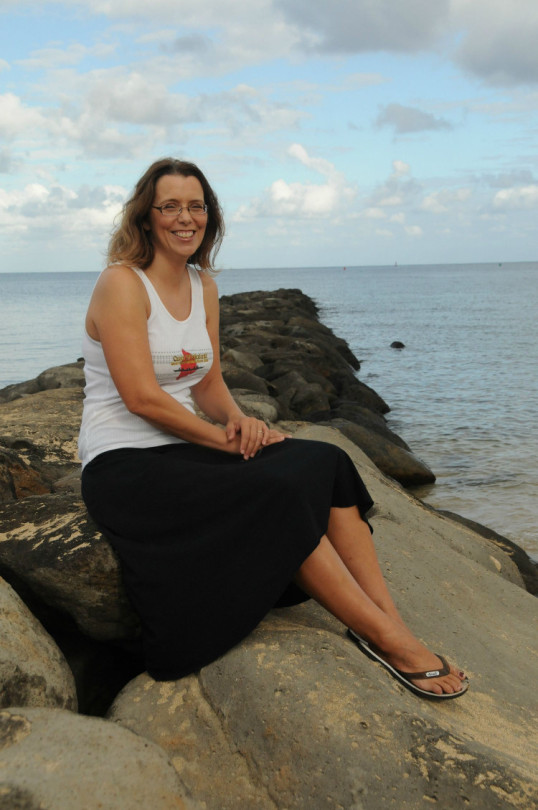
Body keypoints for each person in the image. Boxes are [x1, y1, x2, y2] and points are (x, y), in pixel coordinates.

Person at [79, 157, 468, 699]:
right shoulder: (122, 283)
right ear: (146, 216)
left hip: (182, 446)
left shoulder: (201, 285)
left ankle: (386, 620)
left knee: (325, 461)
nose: (185, 218)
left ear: (210, 216)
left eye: (196, 206)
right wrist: (223, 441)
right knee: (276, 492)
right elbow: (142, 398)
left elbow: (207, 382)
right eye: (170, 206)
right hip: (123, 462)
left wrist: (239, 420)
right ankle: (391, 642)